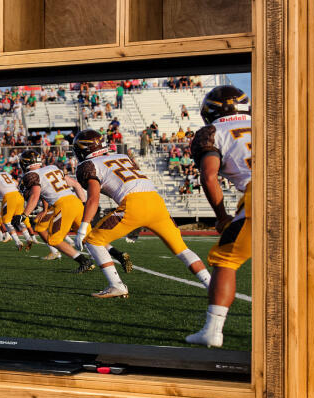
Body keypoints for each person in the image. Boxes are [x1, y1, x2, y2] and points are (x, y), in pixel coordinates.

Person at [74, 126, 197, 299]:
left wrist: (83, 227)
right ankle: (211, 283)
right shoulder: (123, 157)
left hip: (133, 204)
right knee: (182, 249)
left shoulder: (88, 165)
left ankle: (116, 285)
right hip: (156, 201)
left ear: (83, 150)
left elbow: (93, 199)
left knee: (92, 241)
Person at [185, 83, 252, 348]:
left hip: (263, 192)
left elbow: (209, 176)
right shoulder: (269, 123)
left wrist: (222, 216)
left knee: (225, 259)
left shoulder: (214, 132)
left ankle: (212, 331)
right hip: (303, 191)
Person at [23, 142, 86, 259]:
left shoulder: (31, 175)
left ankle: (83, 260)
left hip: (61, 205)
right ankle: (110, 254)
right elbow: (76, 184)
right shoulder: (52, 167)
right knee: (40, 226)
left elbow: (35, 195)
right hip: (74, 201)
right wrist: (84, 205)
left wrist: (24, 215)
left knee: (54, 238)